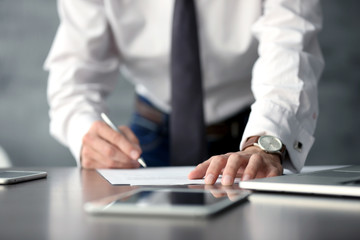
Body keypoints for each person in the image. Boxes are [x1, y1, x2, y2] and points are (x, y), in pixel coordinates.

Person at [44, 0, 324, 185]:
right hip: (145, 140)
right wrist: (86, 137)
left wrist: (265, 141)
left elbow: (291, 42)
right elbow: (74, 79)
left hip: (251, 135)